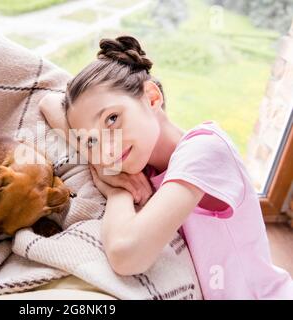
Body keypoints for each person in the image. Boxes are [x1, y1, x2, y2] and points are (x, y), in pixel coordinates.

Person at [38, 35, 293, 299]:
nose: (107, 148)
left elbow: (126, 255)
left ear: (151, 98)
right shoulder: (141, 162)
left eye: (112, 119)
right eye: (91, 140)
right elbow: (48, 104)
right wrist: (106, 169)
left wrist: (116, 190)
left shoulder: (204, 151)